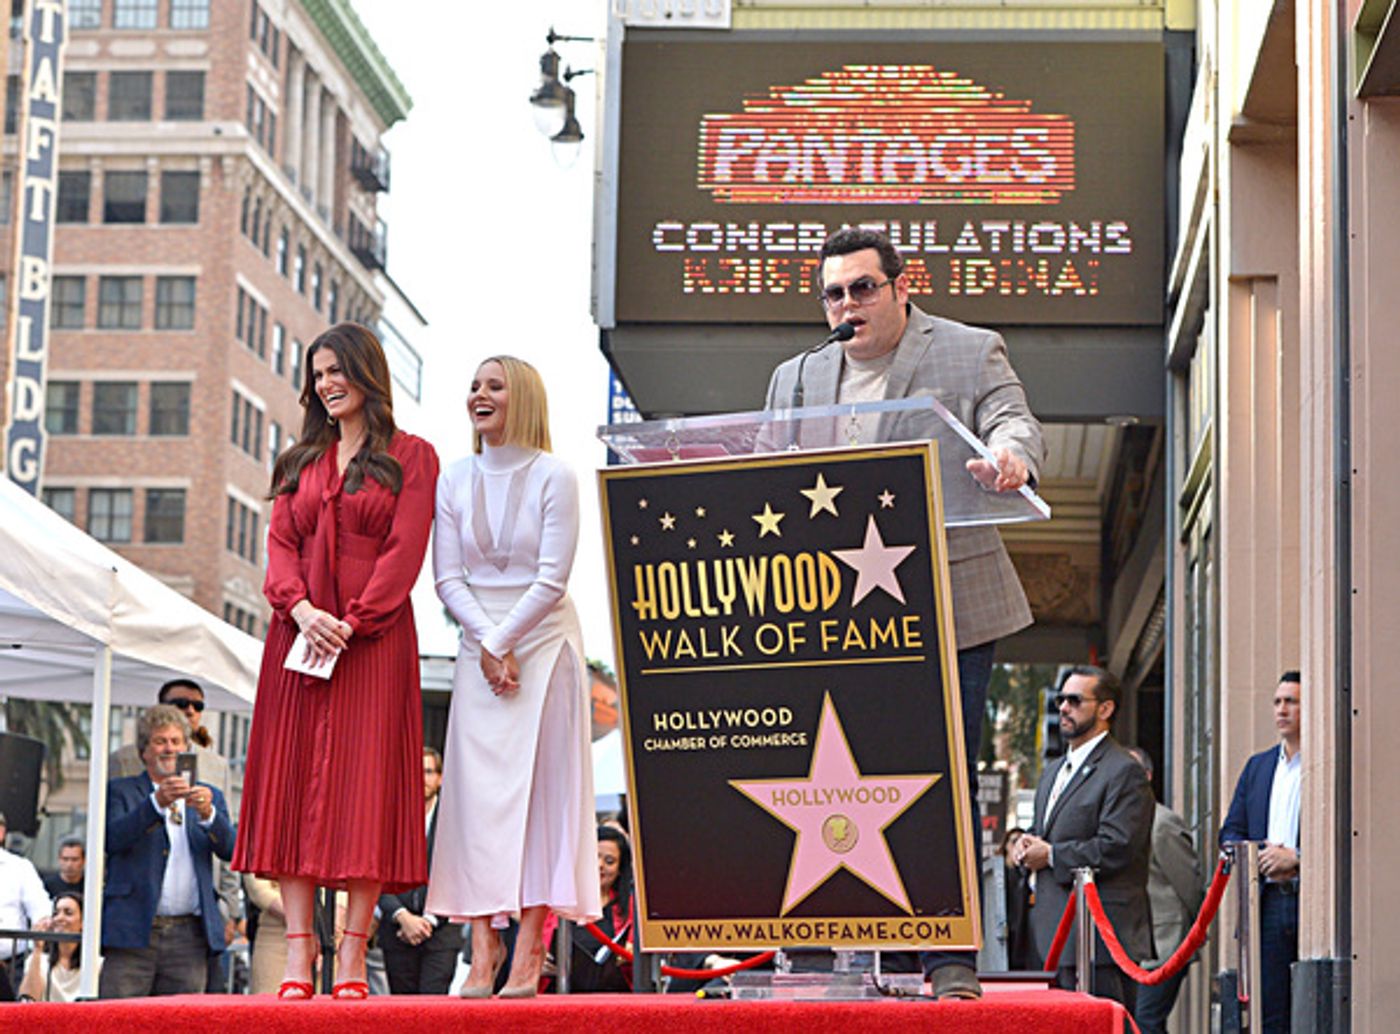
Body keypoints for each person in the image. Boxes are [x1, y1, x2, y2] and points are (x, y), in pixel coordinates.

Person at [764, 226, 1045, 999]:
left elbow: (1013, 420)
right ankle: (819, 945)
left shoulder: (967, 347)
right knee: (825, 775)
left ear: (899, 287)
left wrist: (1011, 458)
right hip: (831, 614)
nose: (847, 304)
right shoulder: (795, 378)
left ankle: (944, 953)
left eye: (862, 287)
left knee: (938, 779)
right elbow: (762, 480)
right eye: (833, 293)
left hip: (947, 602)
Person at [232, 322, 439, 1000]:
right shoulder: (297, 463)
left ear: (365, 373)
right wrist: (302, 613)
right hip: (297, 641)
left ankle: (353, 955)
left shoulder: (413, 457)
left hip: (371, 645)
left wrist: (351, 622)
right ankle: (300, 953)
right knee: (291, 787)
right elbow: (279, 548)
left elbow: (404, 552)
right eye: (317, 373)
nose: (326, 383)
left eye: (336, 370)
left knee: (365, 792)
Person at [426, 355, 601, 998]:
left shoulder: (557, 476)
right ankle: (481, 947)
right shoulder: (453, 478)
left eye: (493, 386)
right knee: (474, 800)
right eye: (473, 385)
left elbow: (552, 578)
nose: (479, 394)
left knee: (541, 800)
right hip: (479, 649)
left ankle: (530, 950)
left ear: (521, 397)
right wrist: (486, 644)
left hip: (545, 643)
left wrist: (503, 643)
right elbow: (448, 577)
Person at [1014, 666, 1154, 1011]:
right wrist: (1025, 845)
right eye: (1061, 699)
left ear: (1105, 709)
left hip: (1101, 941)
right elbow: (1047, 834)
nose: (1063, 707)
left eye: (1075, 700)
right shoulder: (1052, 773)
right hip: (1049, 937)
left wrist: (1052, 856)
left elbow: (1117, 846)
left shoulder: (1124, 770)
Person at [112, 677, 240, 991]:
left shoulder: (207, 795)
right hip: (133, 932)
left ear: (186, 748)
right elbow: (112, 838)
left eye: (175, 741)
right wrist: (156, 803)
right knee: (118, 1019)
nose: (169, 748)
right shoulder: (123, 791)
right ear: (144, 752)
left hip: (189, 936)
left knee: (183, 1021)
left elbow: (233, 851)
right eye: (159, 741)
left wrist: (209, 816)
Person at [1219, 671, 1301, 1034]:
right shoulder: (1259, 767)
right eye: (1277, 702)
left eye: (1292, 702)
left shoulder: (1322, 763)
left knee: (1306, 1008)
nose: (1282, 710)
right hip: (1265, 903)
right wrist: (1256, 855)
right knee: (1269, 1010)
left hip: (1306, 899)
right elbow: (1230, 831)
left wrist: (1297, 858)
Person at [1125, 746, 1204, 1034]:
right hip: (1132, 947)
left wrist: (1195, 932)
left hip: (1165, 944)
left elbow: (1190, 885)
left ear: (1147, 776)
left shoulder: (1162, 823)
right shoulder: (1119, 824)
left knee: (1146, 1022)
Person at [377, 748, 461, 994]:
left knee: (433, 1012)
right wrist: (402, 916)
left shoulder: (453, 819)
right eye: (416, 772)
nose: (422, 779)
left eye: (428, 772)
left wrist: (428, 921)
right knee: (402, 1013)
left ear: (440, 777)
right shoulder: (388, 819)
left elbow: (458, 875)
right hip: (397, 930)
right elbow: (375, 874)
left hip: (442, 931)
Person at [0, 810, 51, 1001]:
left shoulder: (19, 867)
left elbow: (41, 908)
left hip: (12, 963)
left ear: (1, 833)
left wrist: (40, 927)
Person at [18, 891, 96, 1002]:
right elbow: (29, 999)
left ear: (83, 922)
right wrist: (37, 948)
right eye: (56, 913)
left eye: (68, 913)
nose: (59, 918)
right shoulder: (40, 960)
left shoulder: (95, 965)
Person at [996, 826, 1037, 970]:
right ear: (1006, 846)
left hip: (1023, 932)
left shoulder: (1027, 873)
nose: (1018, 846)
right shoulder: (998, 874)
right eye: (1014, 841)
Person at [41, 836, 85, 902]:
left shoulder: (90, 885)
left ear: (84, 860)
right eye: (65, 859)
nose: (69, 864)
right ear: (59, 859)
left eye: (75, 859)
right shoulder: (47, 886)